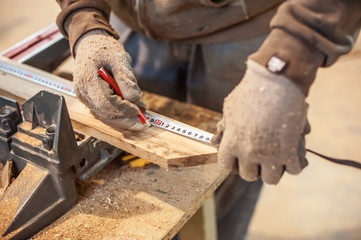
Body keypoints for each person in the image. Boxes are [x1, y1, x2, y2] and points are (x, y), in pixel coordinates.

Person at [55, 0, 361, 239]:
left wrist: (283, 66)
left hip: (247, 27)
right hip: (127, 26)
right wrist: (85, 22)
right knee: (131, 176)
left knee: (235, 162)